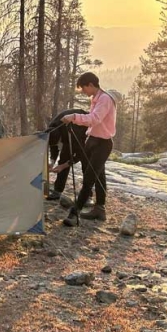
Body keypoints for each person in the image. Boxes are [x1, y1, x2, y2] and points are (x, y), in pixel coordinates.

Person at [60, 72, 117, 226]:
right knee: (99, 176)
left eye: (84, 88)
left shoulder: (104, 99)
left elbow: (94, 119)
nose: (83, 92)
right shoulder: (96, 98)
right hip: (93, 140)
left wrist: (74, 117)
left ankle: (74, 213)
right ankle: (100, 209)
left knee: (89, 178)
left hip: (102, 143)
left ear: (91, 85)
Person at [46, 108, 87, 201]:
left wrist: (64, 165)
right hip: (67, 132)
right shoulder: (52, 129)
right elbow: (53, 145)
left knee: (86, 165)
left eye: (59, 142)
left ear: (61, 137)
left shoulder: (73, 133)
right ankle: (57, 191)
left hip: (86, 131)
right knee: (63, 159)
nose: (58, 145)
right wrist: (52, 162)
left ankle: (87, 194)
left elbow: (80, 154)